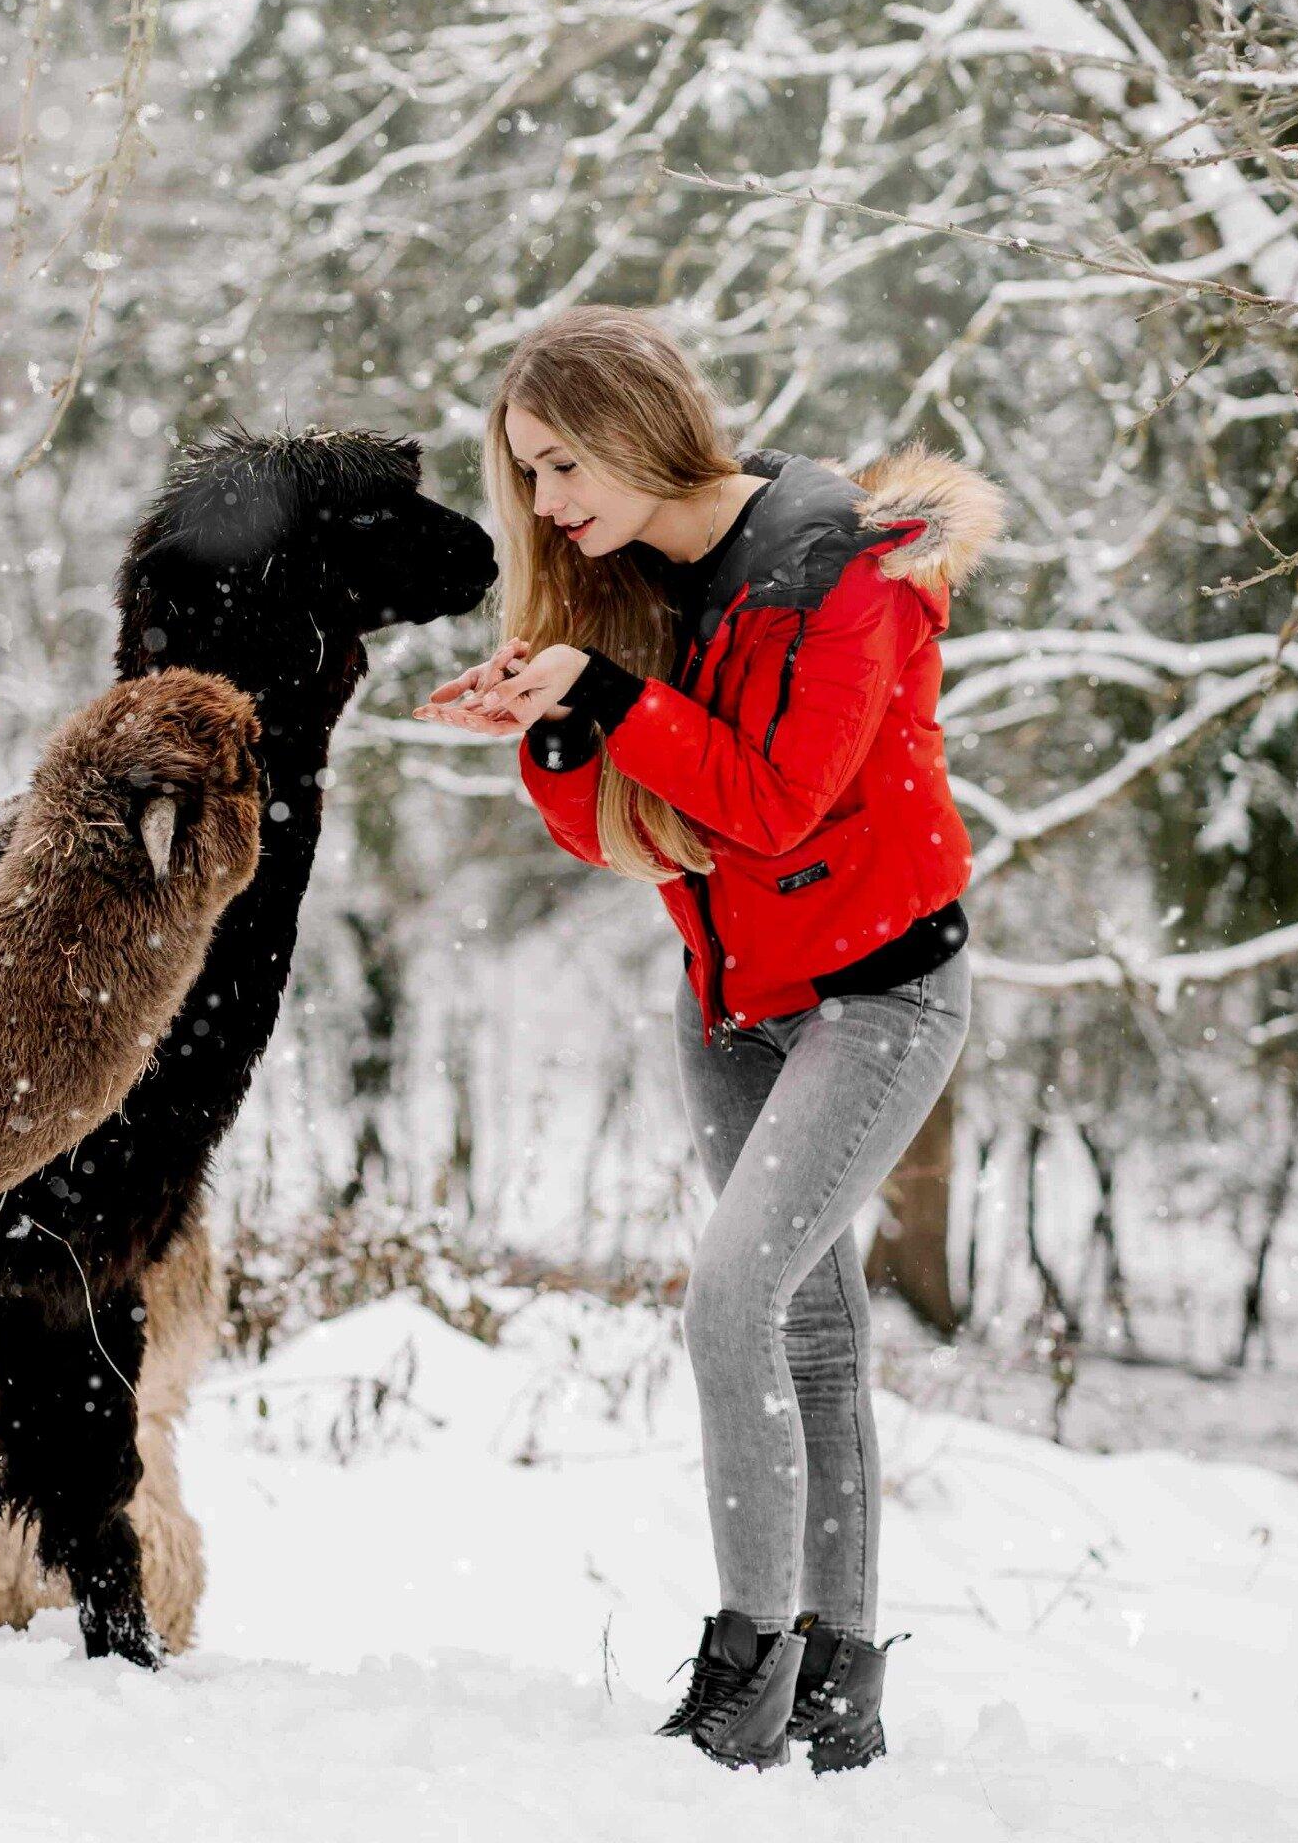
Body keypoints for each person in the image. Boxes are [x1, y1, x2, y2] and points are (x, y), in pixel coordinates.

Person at [418, 306, 1001, 1773]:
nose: (547, 507)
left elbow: (775, 802)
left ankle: (748, 1670)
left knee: (732, 1299)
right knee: (809, 1328)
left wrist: (606, 696)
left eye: (559, 467)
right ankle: (839, 1690)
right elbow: (634, 837)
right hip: (732, 994)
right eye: (528, 478)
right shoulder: (637, 582)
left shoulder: (841, 569)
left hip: (882, 994)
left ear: (637, 425)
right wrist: (555, 726)